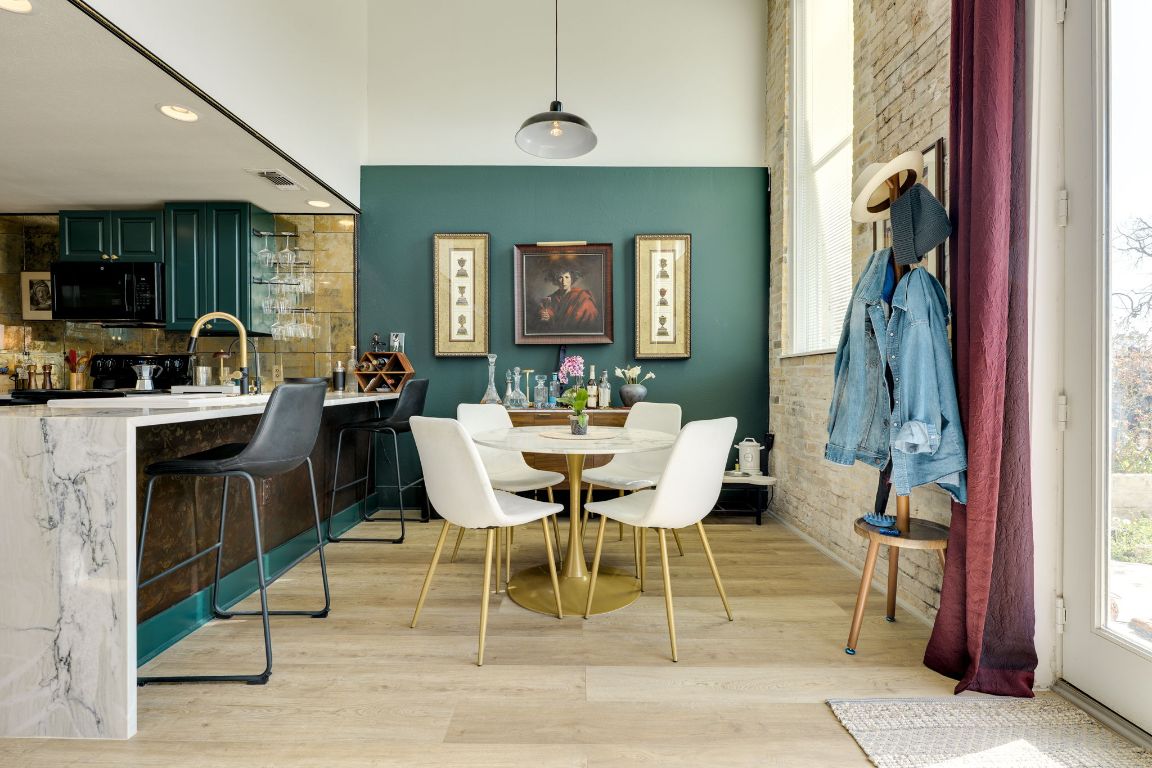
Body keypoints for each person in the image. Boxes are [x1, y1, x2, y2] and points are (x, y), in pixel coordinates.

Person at [537, 269, 599, 333]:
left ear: (571, 279)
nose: (564, 281)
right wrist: (546, 315)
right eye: (560, 277)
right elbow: (547, 311)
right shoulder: (551, 298)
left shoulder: (582, 296)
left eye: (567, 277)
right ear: (556, 280)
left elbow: (589, 318)